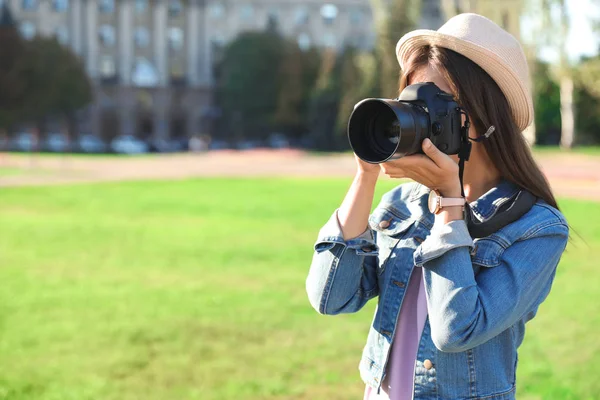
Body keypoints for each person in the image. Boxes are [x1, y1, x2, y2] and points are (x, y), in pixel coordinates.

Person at [305, 13, 569, 400]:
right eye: (412, 100)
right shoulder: (404, 204)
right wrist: (365, 175)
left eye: (436, 104)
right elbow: (331, 297)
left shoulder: (536, 228)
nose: (417, 117)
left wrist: (449, 202)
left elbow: (455, 328)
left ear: (488, 115)